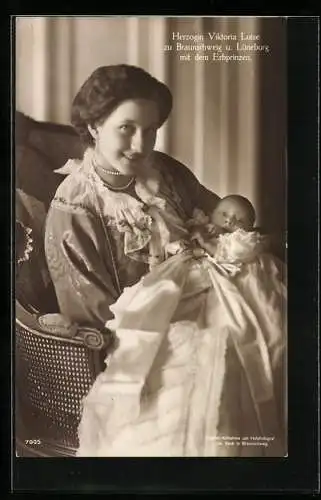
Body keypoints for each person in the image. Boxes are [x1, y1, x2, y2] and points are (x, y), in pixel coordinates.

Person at [44, 64, 287, 457]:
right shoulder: (75, 206)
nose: (140, 144)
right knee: (213, 364)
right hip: (137, 334)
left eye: (151, 130)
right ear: (94, 126)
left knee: (267, 325)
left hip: (205, 299)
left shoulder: (166, 172)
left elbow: (221, 220)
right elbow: (93, 313)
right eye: (126, 128)